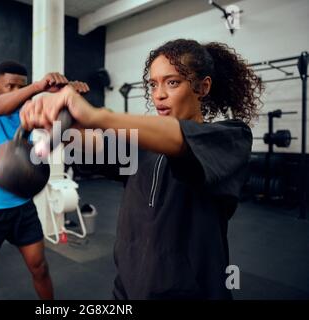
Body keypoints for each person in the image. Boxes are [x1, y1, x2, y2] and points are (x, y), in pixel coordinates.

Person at [20, 39, 264, 299]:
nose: (158, 94)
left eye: (172, 82)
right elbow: (92, 144)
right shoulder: (139, 146)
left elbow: (179, 138)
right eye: (153, 84)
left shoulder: (230, 138)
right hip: (129, 288)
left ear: (202, 87)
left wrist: (96, 115)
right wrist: (57, 123)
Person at [0, 61, 88, 300]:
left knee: (40, 269)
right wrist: (37, 86)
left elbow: (55, 138)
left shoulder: (26, 114)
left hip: (23, 209)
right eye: (10, 86)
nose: (15, 92)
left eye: (19, 86)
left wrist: (71, 98)